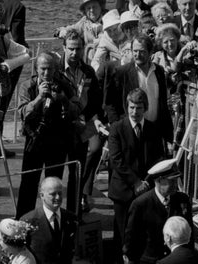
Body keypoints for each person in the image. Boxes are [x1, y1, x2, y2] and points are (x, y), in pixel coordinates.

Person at [108, 88, 166, 264]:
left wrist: (147, 182)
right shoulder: (117, 128)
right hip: (124, 190)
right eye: (132, 107)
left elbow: (159, 158)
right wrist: (135, 183)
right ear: (127, 107)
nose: (135, 112)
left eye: (139, 108)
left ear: (145, 108)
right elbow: (117, 160)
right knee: (123, 234)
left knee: (144, 232)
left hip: (146, 189)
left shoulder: (152, 129)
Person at [15, 52, 81, 218]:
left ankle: (52, 219)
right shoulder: (27, 86)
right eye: (43, 69)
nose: (46, 73)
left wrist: (63, 100)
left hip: (57, 141)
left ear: (56, 69)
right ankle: (23, 219)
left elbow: (77, 110)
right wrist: (38, 98)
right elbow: (23, 113)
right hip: (35, 140)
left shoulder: (64, 85)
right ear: (37, 69)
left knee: (53, 184)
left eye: (50, 69)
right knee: (28, 184)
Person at [61, 29, 103, 213]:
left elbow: (95, 100)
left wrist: (85, 119)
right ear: (64, 47)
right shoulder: (55, 69)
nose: (74, 53)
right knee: (53, 174)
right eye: (70, 48)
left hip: (80, 129)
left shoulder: (88, 71)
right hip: (59, 129)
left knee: (76, 174)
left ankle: (74, 213)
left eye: (78, 49)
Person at [105, 34, 173, 143]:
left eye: (142, 51)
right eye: (135, 51)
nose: (138, 55)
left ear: (151, 53)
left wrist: (168, 133)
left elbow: (163, 104)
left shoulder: (159, 71)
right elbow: (110, 102)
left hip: (154, 130)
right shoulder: (122, 73)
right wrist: (117, 126)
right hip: (130, 132)